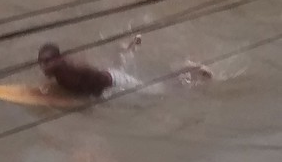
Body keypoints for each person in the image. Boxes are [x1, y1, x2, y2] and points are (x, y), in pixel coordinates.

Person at [37, 39, 211, 98]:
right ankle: (126, 51)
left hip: (118, 83)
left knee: (158, 91)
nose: (44, 66)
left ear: (59, 59)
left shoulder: (74, 69)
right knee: (122, 66)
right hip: (109, 79)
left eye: (47, 62)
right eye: (41, 62)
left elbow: (96, 79)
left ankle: (188, 72)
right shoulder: (57, 71)